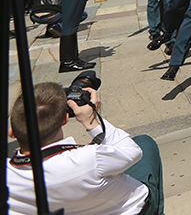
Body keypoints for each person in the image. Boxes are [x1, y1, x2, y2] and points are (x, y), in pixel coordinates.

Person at [7, 80, 164, 215]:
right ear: (65, 119)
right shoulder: (88, 158)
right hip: (135, 209)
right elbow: (132, 152)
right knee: (144, 142)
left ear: (11, 132)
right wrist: (92, 121)